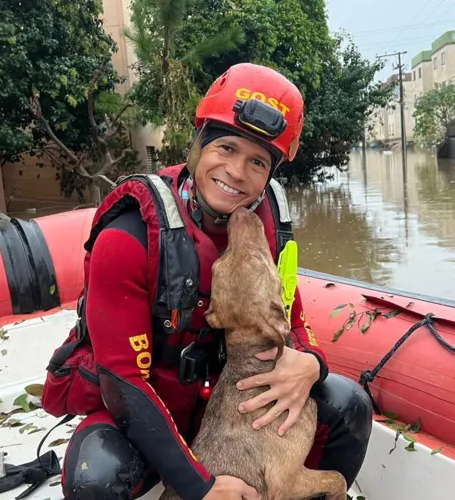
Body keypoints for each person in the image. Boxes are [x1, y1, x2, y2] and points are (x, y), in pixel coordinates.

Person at [60, 63, 373, 500]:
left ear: (269, 173)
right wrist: (200, 485)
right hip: (146, 412)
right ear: (197, 145)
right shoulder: (127, 239)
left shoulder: (262, 231)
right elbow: (124, 383)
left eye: (257, 161)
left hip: (225, 412)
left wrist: (311, 363)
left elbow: (291, 319)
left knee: (347, 405)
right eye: (225, 147)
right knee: (95, 475)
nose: (237, 172)